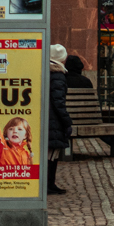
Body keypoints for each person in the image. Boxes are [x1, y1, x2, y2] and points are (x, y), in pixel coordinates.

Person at [47, 43, 73, 195]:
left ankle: (50, 184)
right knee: (51, 155)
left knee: (51, 154)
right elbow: (59, 103)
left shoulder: (47, 72)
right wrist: (67, 122)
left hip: (49, 119)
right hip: (54, 120)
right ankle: (49, 185)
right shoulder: (58, 75)